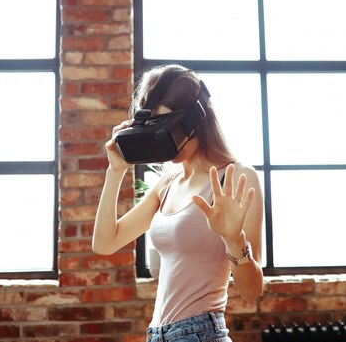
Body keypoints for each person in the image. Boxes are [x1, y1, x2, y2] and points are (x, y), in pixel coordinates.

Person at [92, 64, 264, 342]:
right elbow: (104, 243)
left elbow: (252, 290)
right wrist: (115, 172)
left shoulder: (236, 177)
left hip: (201, 334)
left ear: (196, 120)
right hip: (157, 334)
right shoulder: (167, 184)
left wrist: (234, 239)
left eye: (167, 126)